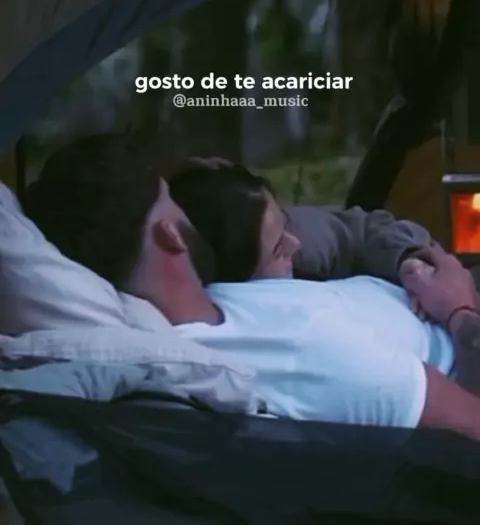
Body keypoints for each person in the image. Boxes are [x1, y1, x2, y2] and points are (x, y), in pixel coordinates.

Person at [23, 133, 480, 442]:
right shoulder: (304, 351)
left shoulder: (226, 293)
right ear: (170, 233)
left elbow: (347, 233)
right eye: (171, 201)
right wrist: (461, 310)